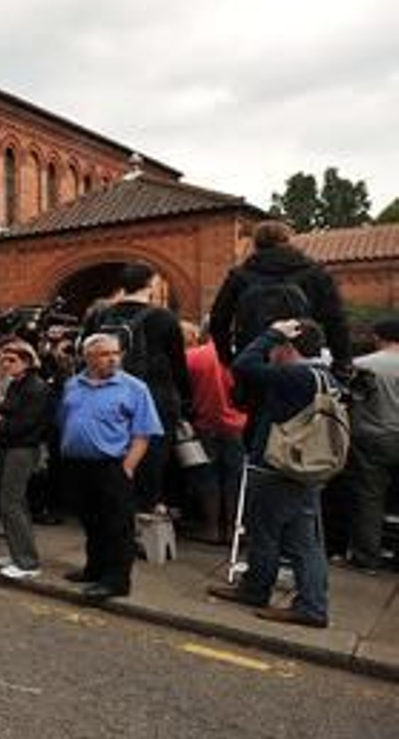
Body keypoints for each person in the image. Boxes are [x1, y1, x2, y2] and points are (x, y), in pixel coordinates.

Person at [206, 320, 335, 627]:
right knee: (304, 539)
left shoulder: (296, 376)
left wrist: (271, 334)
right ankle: (307, 602)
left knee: (265, 532)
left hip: (279, 465)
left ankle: (271, 595)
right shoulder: (326, 377)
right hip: (309, 466)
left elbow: (243, 364)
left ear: (288, 348)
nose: (272, 353)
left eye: (277, 347)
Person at [57, 333, 163, 600]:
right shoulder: (73, 385)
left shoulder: (134, 388)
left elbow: (143, 433)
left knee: (116, 525)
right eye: (105, 354)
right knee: (91, 521)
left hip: (112, 465)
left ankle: (116, 580)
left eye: (116, 353)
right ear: (88, 357)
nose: (113, 358)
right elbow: (63, 419)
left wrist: (128, 466)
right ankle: (95, 568)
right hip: (79, 465)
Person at [79, 262, 191, 514]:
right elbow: (178, 366)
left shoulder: (99, 316)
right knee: (150, 462)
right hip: (154, 400)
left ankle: (111, 512)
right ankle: (143, 517)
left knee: (109, 457)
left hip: (106, 397)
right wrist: (185, 404)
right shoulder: (164, 318)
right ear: (151, 284)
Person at [209, 220, 351, 371]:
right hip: (304, 363)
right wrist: (342, 361)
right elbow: (335, 320)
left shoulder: (239, 276)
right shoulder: (315, 273)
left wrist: (228, 359)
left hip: (254, 363)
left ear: (256, 244)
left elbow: (218, 320)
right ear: (288, 241)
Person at [182, 321, 247, 546]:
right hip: (237, 427)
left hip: (205, 424)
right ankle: (231, 529)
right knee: (234, 479)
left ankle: (211, 528)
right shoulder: (241, 358)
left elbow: (184, 390)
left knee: (206, 476)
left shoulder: (192, 357)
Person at [0, 340, 52, 579]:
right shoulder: (17, 384)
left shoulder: (34, 387)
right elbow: (9, 412)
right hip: (12, 448)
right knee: (15, 504)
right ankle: (19, 554)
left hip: (22, 450)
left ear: (26, 361)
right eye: (4, 359)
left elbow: (24, 424)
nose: (6, 364)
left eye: (12, 360)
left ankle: (27, 563)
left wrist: (0, 424)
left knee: (11, 504)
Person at [344, 316, 399, 570]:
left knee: (369, 497)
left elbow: (351, 399)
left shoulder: (363, 365)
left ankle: (367, 557)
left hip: (371, 436)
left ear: (378, 337)